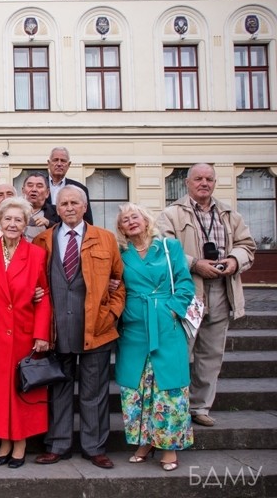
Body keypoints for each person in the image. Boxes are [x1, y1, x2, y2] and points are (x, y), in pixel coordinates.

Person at [32, 185, 125, 469]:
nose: (69, 207)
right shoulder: (42, 240)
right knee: (58, 390)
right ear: (56, 209)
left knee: (94, 392)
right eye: (64, 204)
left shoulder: (106, 239)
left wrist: (110, 314)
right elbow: (36, 282)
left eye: (75, 203)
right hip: (56, 329)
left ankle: (94, 447)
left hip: (96, 328)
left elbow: (119, 283)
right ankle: (57, 445)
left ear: (85, 207)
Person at [157, 163, 256, 428]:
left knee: (211, 353)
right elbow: (163, 248)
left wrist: (235, 261)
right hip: (189, 290)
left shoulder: (228, 213)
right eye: (198, 178)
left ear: (214, 183)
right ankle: (175, 404)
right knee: (181, 350)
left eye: (209, 179)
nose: (204, 183)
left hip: (222, 290)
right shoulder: (171, 214)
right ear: (187, 183)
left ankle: (200, 406)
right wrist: (194, 264)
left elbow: (247, 245)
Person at [114, 203, 195, 472]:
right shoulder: (122, 254)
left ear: (146, 219)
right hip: (134, 327)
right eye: (125, 220)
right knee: (137, 388)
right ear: (121, 228)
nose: (130, 222)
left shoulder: (169, 247)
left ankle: (169, 446)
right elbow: (116, 283)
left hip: (166, 325)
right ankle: (144, 442)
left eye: (134, 216)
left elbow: (185, 282)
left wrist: (173, 309)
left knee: (168, 388)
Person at [0, 197, 51, 468]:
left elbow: (43, 297)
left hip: (23, 332)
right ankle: (3, 441)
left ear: (26, 224)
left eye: (18, 219)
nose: (12, 224)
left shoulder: (36, 254)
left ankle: (20, 443)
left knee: (22, 391)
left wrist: (41, 334)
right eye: (7, 219)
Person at [45, 147, 94, 225]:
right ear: (48, 163)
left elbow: (88, 221)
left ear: (68, 165)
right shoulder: (39, 187)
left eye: (63, 161)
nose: (59, 164)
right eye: (55, 160)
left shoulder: (80, 189)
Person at [22, 171, 58, 241]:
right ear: (23, 191)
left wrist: (48, 223)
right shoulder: (15, 210)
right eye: (30, 185)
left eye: (39, 186)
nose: (34, 189)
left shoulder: (57, 211)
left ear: (47, 193)